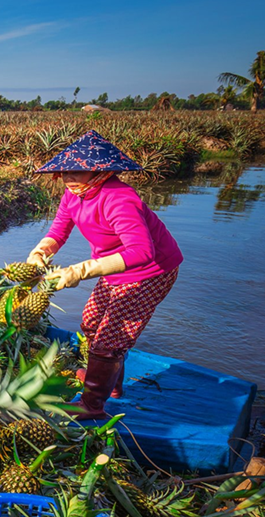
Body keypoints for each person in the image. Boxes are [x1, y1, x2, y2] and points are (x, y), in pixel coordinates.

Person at [27, 130, 183, 420]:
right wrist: (39, 253)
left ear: (100, 171)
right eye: (64, 171)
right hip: (115, 268)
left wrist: (80, 270)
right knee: (90, 323)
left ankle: (92, 405)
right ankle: (109, 383)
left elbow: (141, 252)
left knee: (110, 338)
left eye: (77, 171)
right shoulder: (73, 195)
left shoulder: (119, 198)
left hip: (151, 271)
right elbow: (58, 232)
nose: (68, 177)